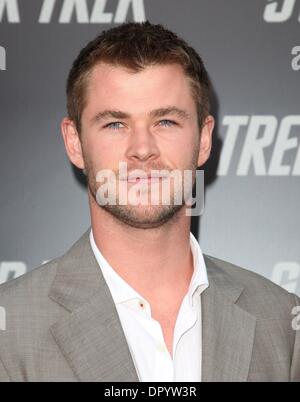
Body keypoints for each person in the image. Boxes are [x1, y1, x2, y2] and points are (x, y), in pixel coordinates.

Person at [0, 22, 299, 382]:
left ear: (203, 140)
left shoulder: (283, 322)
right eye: (115, 124)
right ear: (75, 143)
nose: (142, 149)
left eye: (166, 121)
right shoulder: (10, 327)